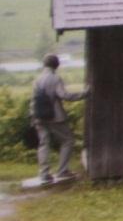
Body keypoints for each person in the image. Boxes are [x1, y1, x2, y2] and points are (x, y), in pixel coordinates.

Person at [31, 54, 88, 184]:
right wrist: (84, 94)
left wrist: (33, 116)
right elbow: (64, 95)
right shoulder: (55, 78)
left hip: (39, 116)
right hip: (55, 117)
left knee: (44, 144)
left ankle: (44, 174)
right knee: (68, 141)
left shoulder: (37, 79)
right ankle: (62, 171)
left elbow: (33, 101)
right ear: (56, 65)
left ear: (44, 64)